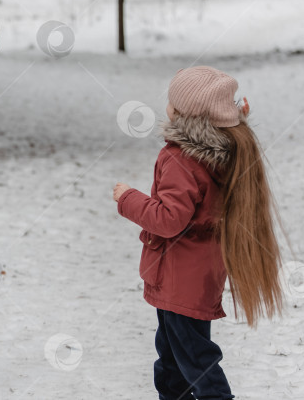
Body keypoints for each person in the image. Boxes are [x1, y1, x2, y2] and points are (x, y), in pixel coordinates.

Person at [112, 66, 284, 400]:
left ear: (183, 114)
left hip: (181, 278)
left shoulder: (180, 159)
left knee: (194, 359)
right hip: (194, 275)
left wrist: (128, 199)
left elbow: (169, 219)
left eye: (173, 103)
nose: (168, 107)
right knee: (174, 359)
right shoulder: (224, 151)